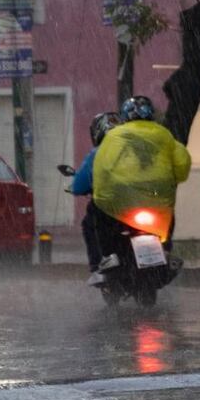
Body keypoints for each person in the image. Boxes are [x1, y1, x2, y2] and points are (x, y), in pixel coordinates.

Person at [90, 95, 191, 272]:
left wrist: (101, 191)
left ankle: (108, 254)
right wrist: (173, 178)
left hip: (122, 198)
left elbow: (102, 167)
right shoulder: (164, 135)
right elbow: (182, 165)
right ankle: (165, 248)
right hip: (157, 197)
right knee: (168, 216)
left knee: (99, 214)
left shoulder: (115, 136)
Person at [74, 112, 123, 287]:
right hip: (141, 200)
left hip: (111, 204)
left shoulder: (98, 152)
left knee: (90, 222)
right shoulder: (135, 148)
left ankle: (97, 264)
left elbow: (79, 185)